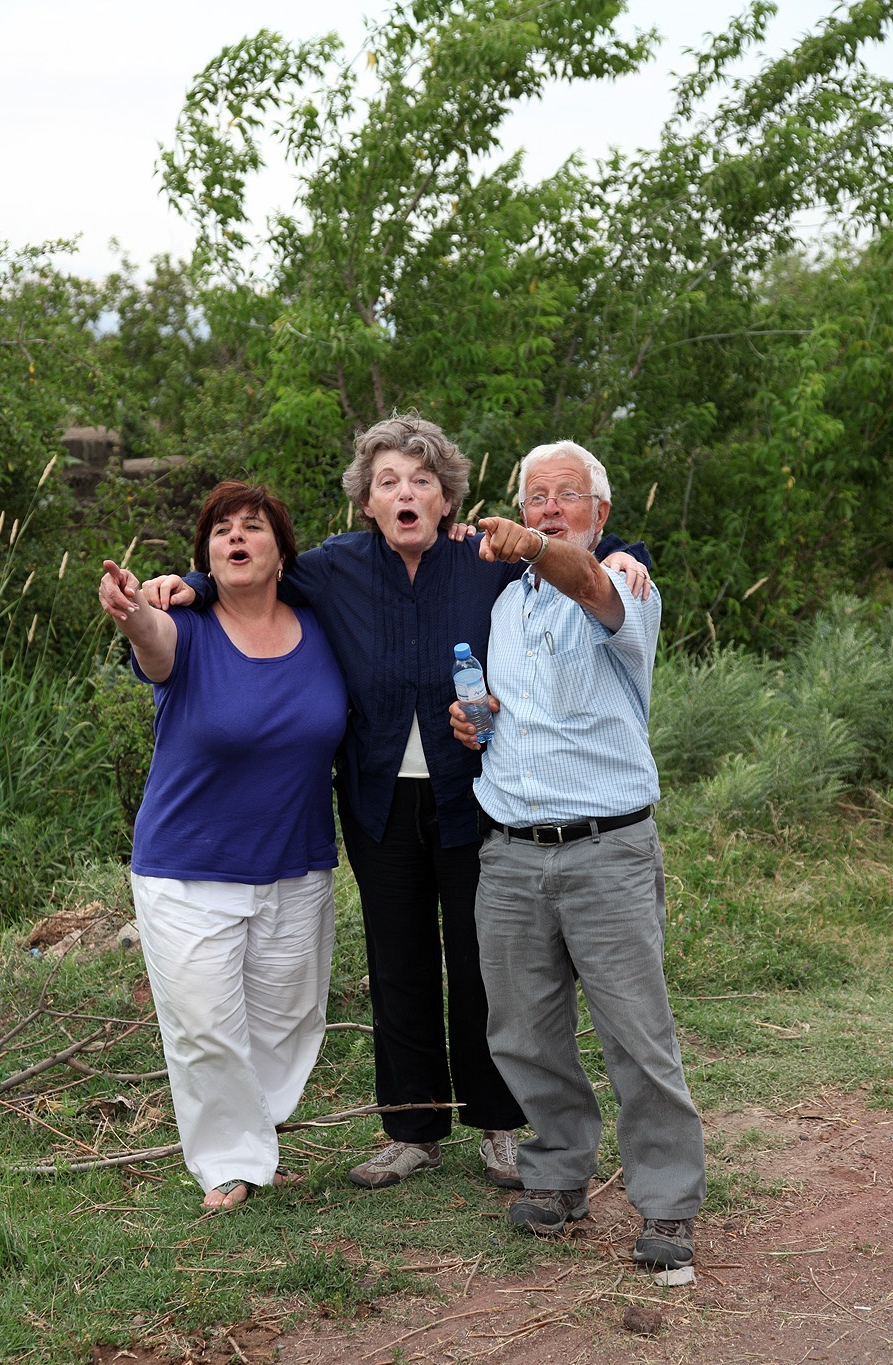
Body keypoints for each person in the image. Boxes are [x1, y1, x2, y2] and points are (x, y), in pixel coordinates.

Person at [125, 416, 651, 1192]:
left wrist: (624, 555)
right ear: (366, 504)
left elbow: (566, 569)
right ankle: (412, 1129)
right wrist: (193, 584)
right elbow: (254, 577)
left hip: (474, 794)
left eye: (423, 481)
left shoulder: (484, 561)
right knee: (397, 962)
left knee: (481, 967)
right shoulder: (333, 569)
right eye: (388, 483)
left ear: (448, 501)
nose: (406, 493)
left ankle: (499, 1126)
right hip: (375, 801)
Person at [450, 440, 706, 1269]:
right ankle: (558, 1175)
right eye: (535, 498)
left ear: (602, 514)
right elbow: (510, 715)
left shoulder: (625, 585)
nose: (549, 507)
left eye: (567, 495)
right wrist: (477, 725)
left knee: (637, 1034)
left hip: (607, 851)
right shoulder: (502, 608)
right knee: (524, 1033)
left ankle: (667, 1204)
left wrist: (537, 550)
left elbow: (585, 582)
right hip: (512, 853)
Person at [98, 481, 348, 1211]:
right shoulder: (186, 626)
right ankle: (229, 1164)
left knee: (287, 1020)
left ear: (280, 552)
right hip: (188, 866)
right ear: (206, 552)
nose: (236, 538)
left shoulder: (321, 624)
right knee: (205, 1027)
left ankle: (254, 1139)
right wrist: (134, 611)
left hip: (296, 863)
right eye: (221, 531)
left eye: (253, 528)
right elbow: (151, 640)